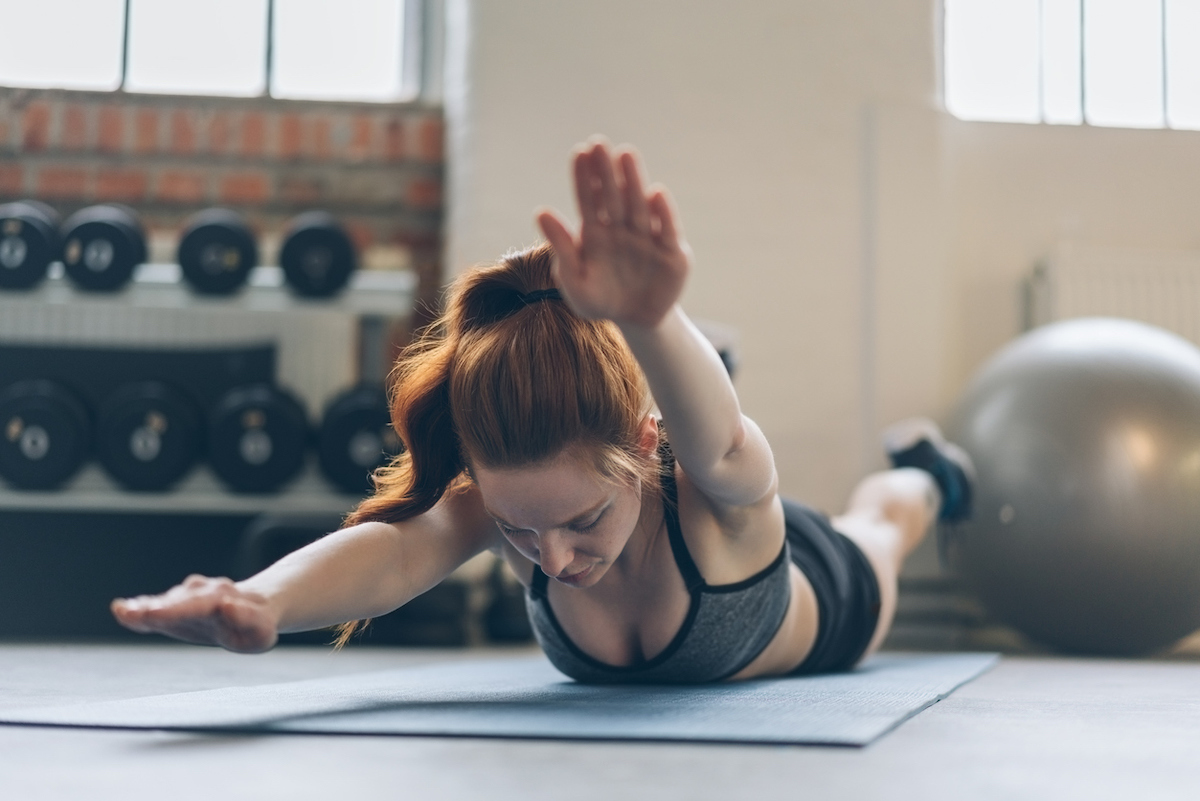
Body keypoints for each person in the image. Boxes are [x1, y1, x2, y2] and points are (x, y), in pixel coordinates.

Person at [112, 139, 973, 682]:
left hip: (825, 593)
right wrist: (258, 601)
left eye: (581, 518)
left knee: (885, 519)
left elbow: (718, 441)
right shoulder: (516, 508)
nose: (553, 556)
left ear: (642, 446)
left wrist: (650, 318)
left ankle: (927, 471)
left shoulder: (719, 488)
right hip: (667, 447)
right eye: (521, 531)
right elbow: (394, 556)